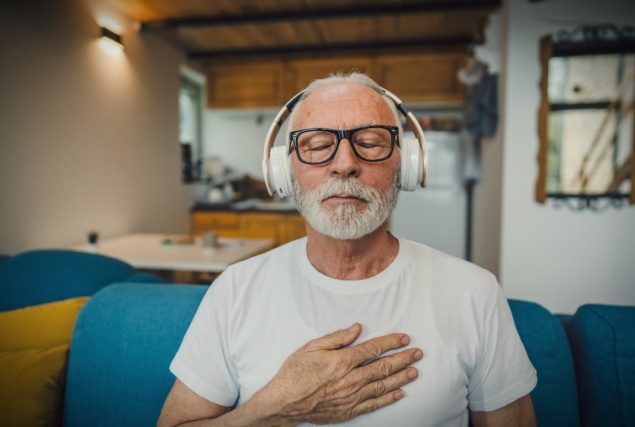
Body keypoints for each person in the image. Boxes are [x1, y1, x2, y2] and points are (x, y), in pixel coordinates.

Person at [158, 72, 537, 426]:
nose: (344, 164)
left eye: (370, 143)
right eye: (319, 145)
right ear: (283, 171)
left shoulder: (475, 292)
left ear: (406, 165)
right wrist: (274, 408)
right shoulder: (234, 289)